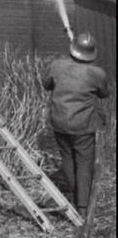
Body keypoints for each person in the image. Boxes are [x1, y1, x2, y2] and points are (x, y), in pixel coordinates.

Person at [43, 32, 110, 217]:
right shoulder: (97, 73)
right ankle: (82, 208)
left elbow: (46, 84)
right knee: (84, 163)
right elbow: (104, 93)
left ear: (73, 49)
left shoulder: (57, 65)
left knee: (67, 158)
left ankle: (74, 197)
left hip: (59, 121)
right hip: (83, 125)